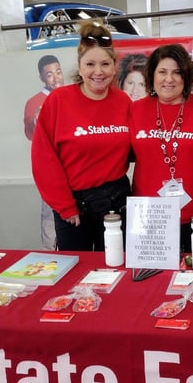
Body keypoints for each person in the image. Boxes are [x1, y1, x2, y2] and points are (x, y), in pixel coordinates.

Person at [31, 21, 132, 251]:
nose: (98, 72)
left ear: (114, 67)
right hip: (74, 208)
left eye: (105, 64)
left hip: (117, 204)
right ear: (80, 66)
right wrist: (65, 206)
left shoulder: (123, 102)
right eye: (90, 64)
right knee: (76, 273)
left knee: (118, 268)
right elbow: (43, 159)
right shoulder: (59, 101)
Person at [129, 43, 193, 253]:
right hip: (149, 216)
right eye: (162, 72)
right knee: (151, 281)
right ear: (152, 75)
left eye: (177, 72)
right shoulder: (136, 110)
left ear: (186, 77)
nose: (169, 79)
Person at [24, 54, 65, 250]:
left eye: (58, 72)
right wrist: (37, 121)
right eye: (50, 74)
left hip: (73, 170)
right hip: (51, 172)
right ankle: (51, 258)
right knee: (51, 217)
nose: (56, 78)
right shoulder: (34, 103)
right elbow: (32, 136)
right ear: (42, 77)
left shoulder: (70, 96)